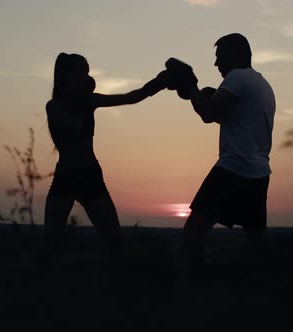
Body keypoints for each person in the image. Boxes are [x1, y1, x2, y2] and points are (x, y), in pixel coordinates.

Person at [166, 33, 276, 274]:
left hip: (233, 168)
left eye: (220, 57)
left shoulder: (237, 78)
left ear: (236, 54)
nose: (216, 64)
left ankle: (191, 287)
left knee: (193, 230)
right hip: (258, 173)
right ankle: (279, 287)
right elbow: (222, 116)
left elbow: (208, 113)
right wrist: (197, 95)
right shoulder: (262, 84)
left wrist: (190, 86)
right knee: (258, 240)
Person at [43, 53, 167, 260]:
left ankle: (118, 284)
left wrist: (159, 83)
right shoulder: (54, 106)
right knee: (50, 243)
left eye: (87, 72)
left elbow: (131, 97)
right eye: (82, 72)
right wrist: (84, 102)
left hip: (90, 174)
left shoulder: (89, 100)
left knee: (114, 240)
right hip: (65, 176)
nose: (87, 77)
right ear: (67, 75)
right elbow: (71, 128)